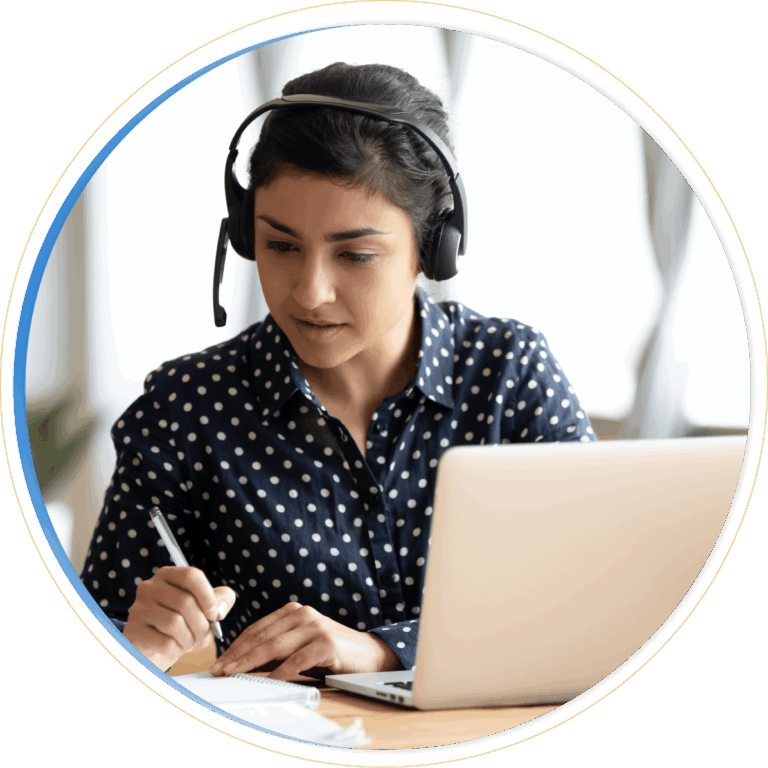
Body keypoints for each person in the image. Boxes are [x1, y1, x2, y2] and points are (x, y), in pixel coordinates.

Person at [81, 62, 596, 679]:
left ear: (434, 249)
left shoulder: (511, 376)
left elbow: (592, 595)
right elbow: (89, 660)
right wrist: (135, 648)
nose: (310, 292)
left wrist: (384, 649)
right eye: (281, 246)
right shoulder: (185, 408)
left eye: (354, 254)